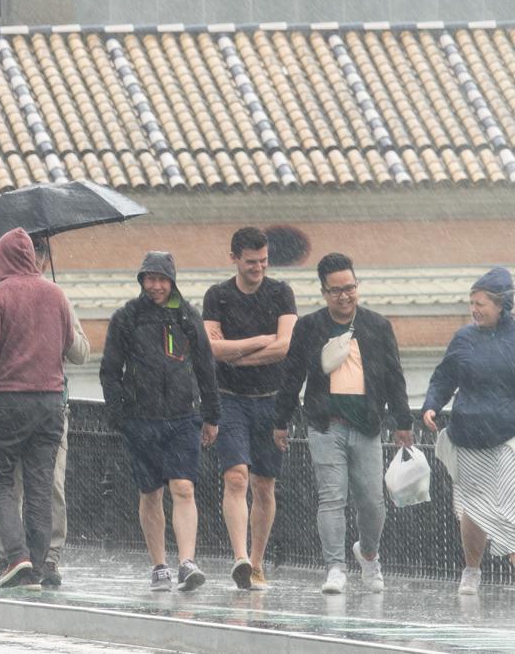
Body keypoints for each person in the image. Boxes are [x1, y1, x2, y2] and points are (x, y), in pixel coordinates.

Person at [275, 252, 413, 594]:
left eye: (350, 287)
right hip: (325, 424)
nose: (344, 295)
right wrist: (280, 420)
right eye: (336, 290)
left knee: (372, 501)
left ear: (357, 287)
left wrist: (402, 421)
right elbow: (292, 376)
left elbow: (395, 376)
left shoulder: (377, 326)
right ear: (324, 292)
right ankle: (334, 566)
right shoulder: (309, 327)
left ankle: (368, 554)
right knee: (332, 497)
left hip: (367, 425)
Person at [0, 228, 74, 590]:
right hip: (50, 403)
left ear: (1, 258)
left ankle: (17, 556)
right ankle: (38, 566)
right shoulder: (56, 294)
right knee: (41, 487)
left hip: (7, 403)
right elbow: (69, 343)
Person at [100, 251, 220, 592]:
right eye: (149, 279)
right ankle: (159, 565)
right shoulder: (127, 317)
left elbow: (205, 368)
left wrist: (212, 415)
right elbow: (110, 370)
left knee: (183, 487)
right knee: (150, 492)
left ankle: (186, 561)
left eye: (161, 279)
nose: (155, 286)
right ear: (141, 281)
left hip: (183, 416)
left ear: (172, 281)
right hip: (141, 419)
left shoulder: (187, 316)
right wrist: (118, 414)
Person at [0, 235, 90, 588]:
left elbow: (81, 352)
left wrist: (63, 322)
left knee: (47, 486)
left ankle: (45, 557)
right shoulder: (2, 296)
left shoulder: (57, 297)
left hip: (44, 406)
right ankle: (14, 554)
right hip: (35, 404)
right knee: (19, 485)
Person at [202, 227, 297, 590]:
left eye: (263, 261)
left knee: (264, 485)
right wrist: (259, 341)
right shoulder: (217, 296)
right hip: (230, 399)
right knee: (236, 476)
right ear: (234, 259)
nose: (258, 267)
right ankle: (240, 556)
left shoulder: (281, 292)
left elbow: (286, 345)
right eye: (251, 262)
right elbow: (211, 349)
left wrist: (236, 354)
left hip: (272, 400)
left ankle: (257, 562)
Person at [421, 267, 515, 596]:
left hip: (505, 437)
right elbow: (444, 377)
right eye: (471, 303)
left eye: (481, 303)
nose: (474, 309)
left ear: (501, 304)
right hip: (467, 435)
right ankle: (471, 570)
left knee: (508, 506)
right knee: (473, 508)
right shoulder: (464, 337)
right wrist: (431, 405)